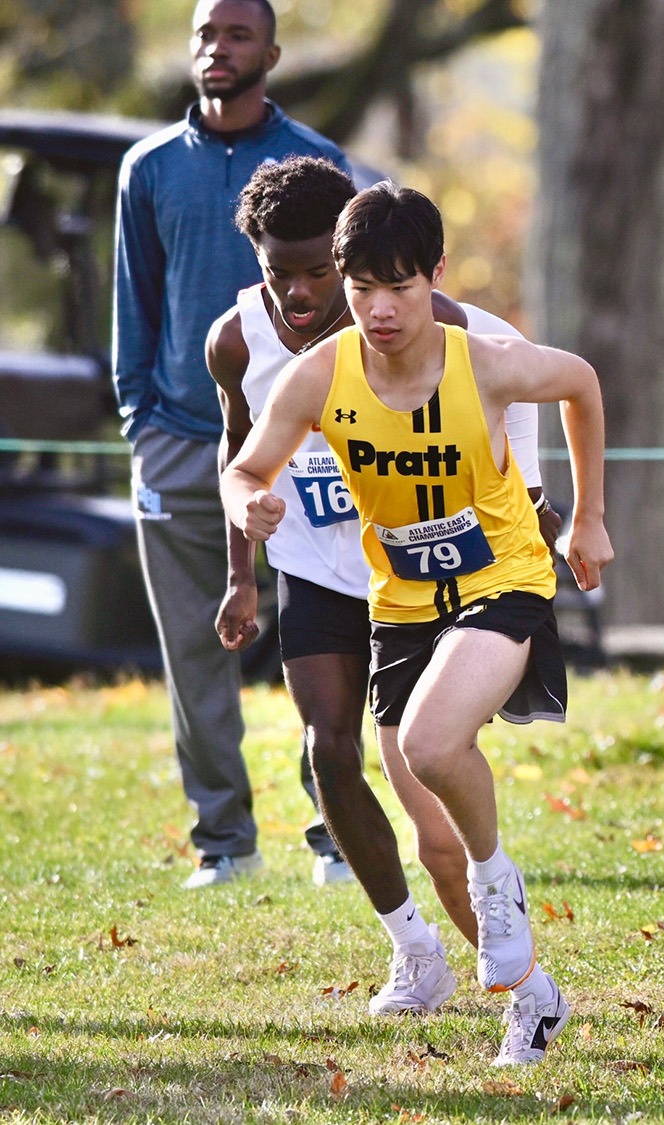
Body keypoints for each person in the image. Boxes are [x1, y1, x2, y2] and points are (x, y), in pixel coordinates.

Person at [221, 183, 612, 1065]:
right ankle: (534, 999)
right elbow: (246, 464)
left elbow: (581, 382)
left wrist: (586, 518)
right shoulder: (320, 376)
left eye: (398, 287)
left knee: (438, 747)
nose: (379, 308)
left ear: (435, 276)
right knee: (433, 838)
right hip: (401, 607)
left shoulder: (490, 361)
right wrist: (249, 503)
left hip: (501, 582)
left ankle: (496, 877)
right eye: (361, 289)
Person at [113, 0, 353, 888]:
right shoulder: (146, 168)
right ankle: (224, 841)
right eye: (206, 34)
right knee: (197, 645)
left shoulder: (319, 163)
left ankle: (335, 829)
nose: (218, 49)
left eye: (237, 34)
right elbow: (132, 302)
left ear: (273, 52)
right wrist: (140, 417)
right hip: (180, 436)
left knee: (327, 632)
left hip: (315, 440)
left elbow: (356, 301)